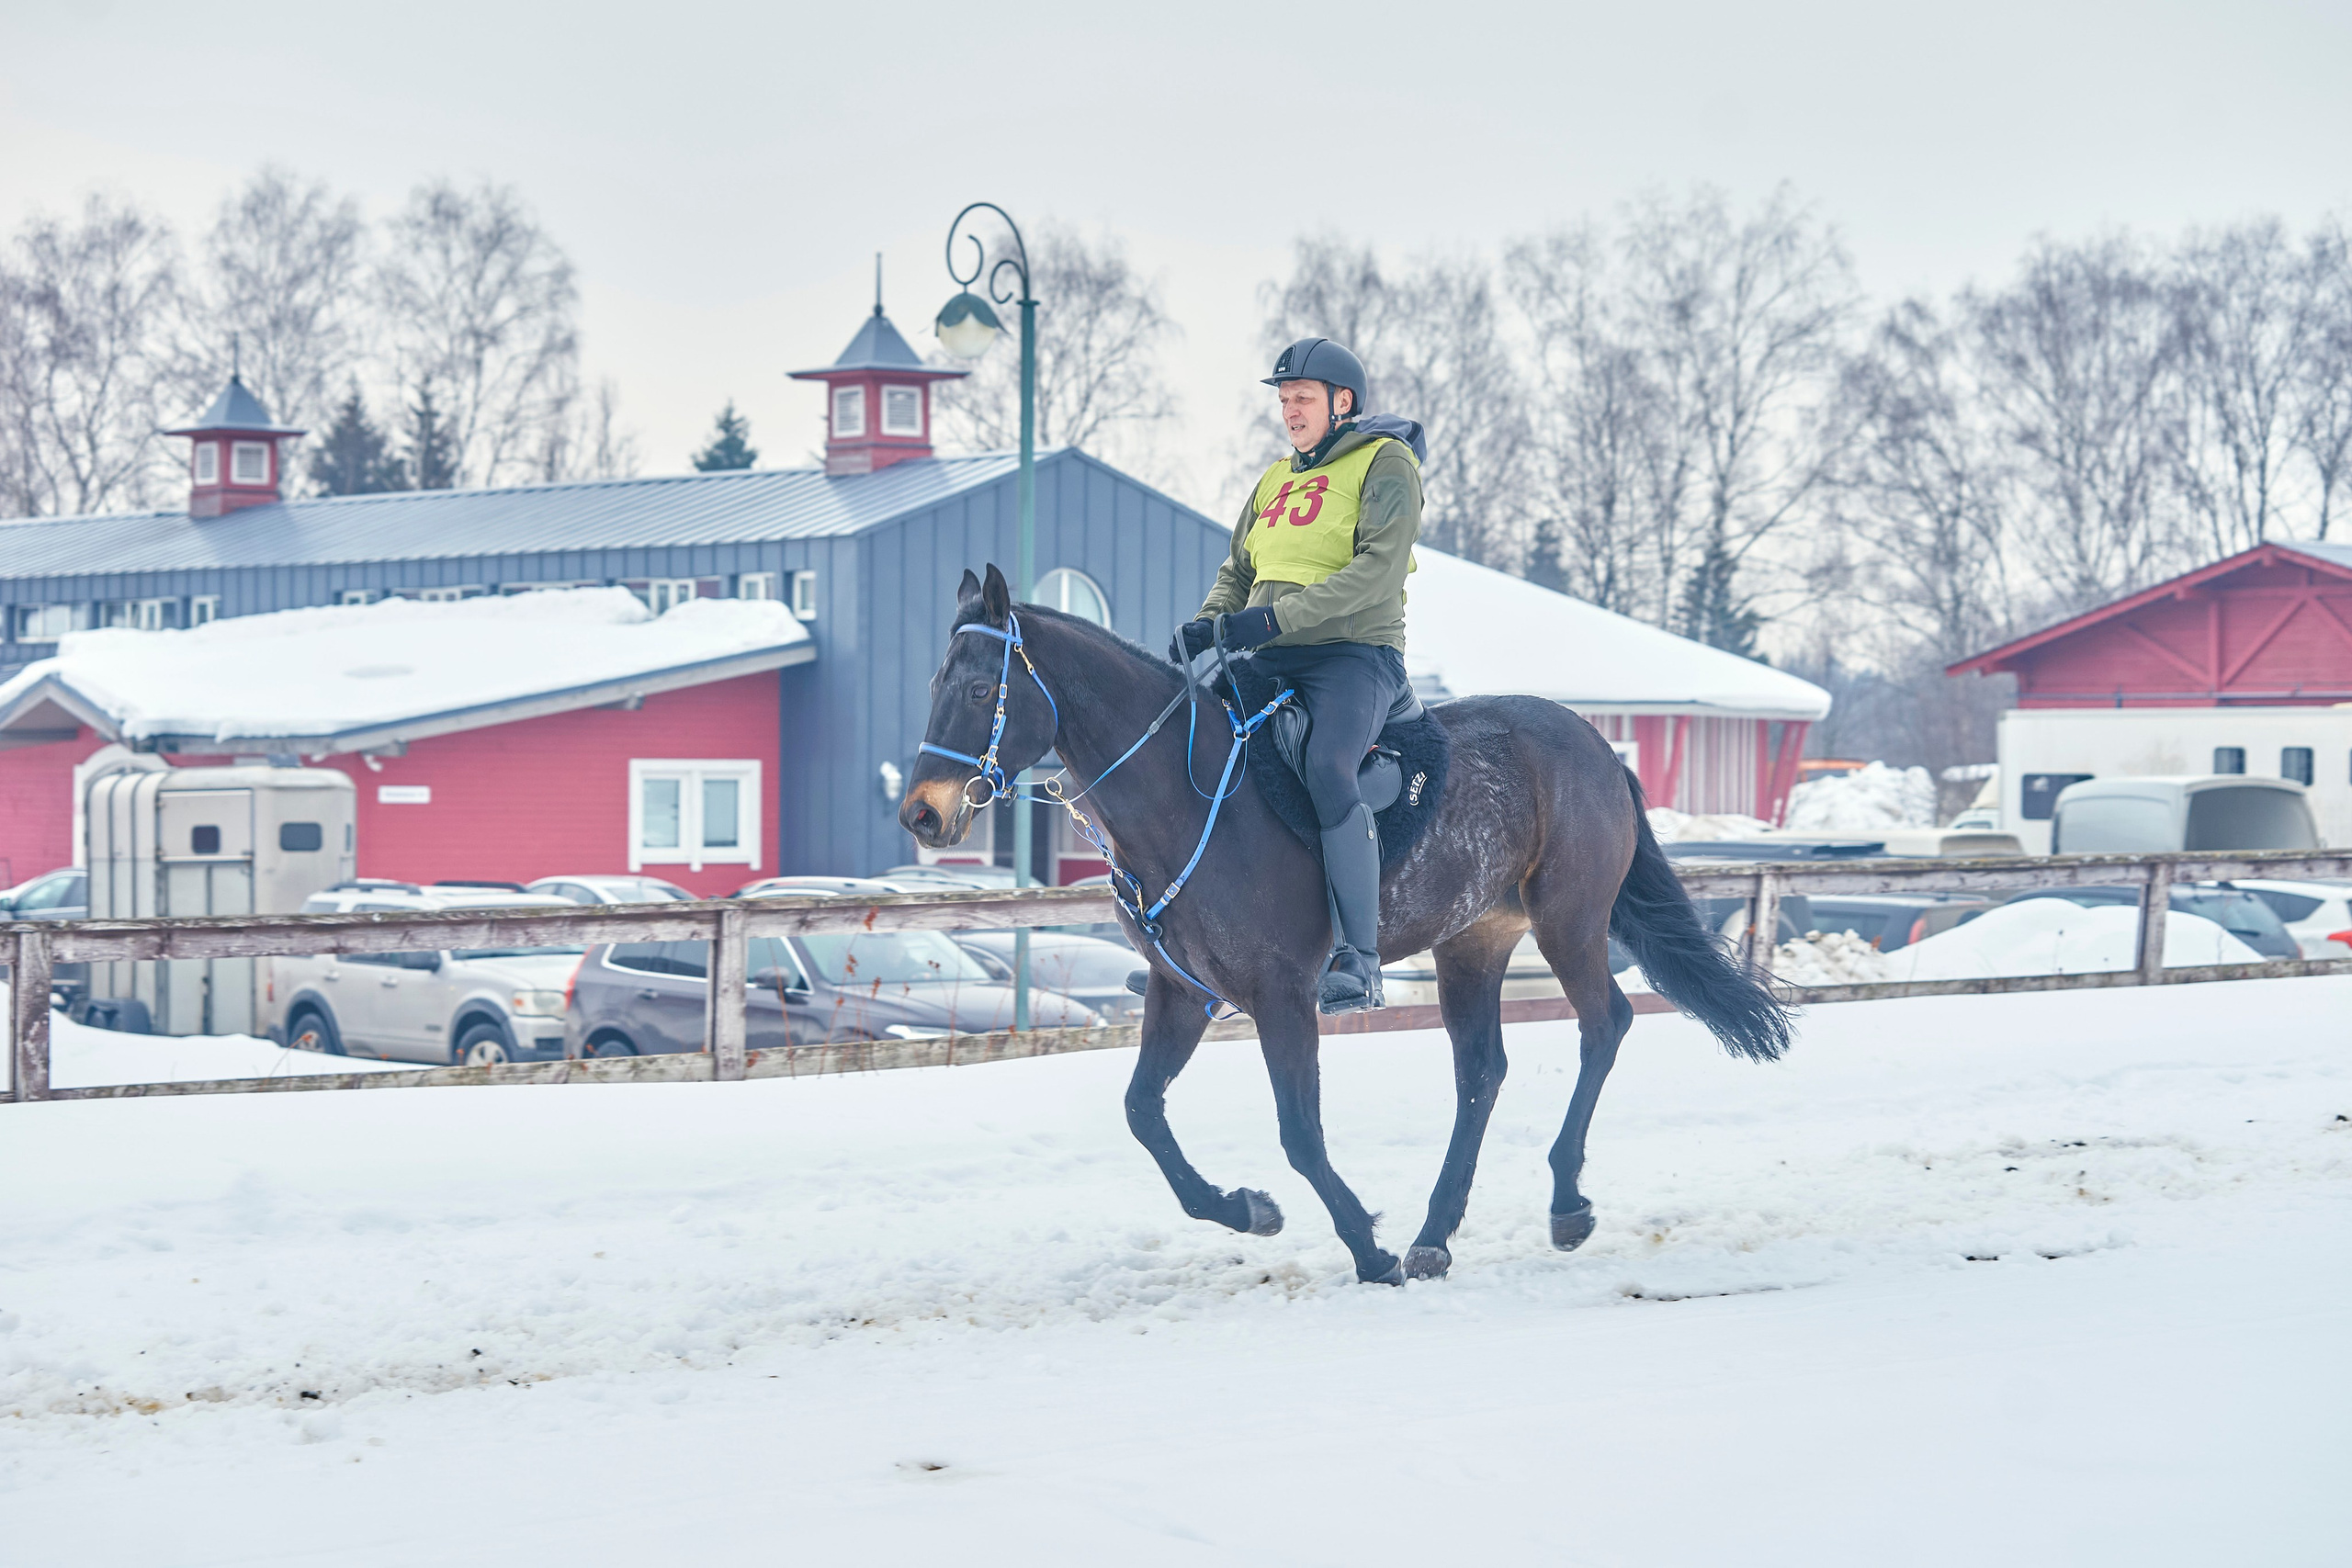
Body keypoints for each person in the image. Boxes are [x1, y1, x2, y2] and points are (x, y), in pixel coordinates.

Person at [1171, 337, 1426, 1013]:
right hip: (1271, 650)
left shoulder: (1386, 462)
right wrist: (1208, 623)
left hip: (1354, 654)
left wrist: (1273, 620)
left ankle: (1360, 961)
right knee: (1196, 755)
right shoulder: (1275, 478)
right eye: (1284, 400)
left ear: (1343, 403)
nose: (1290, 411)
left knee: (1327, 766)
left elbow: (1377, 571)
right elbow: (1239, 571)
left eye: (1303, 398)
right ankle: (1204, 958)